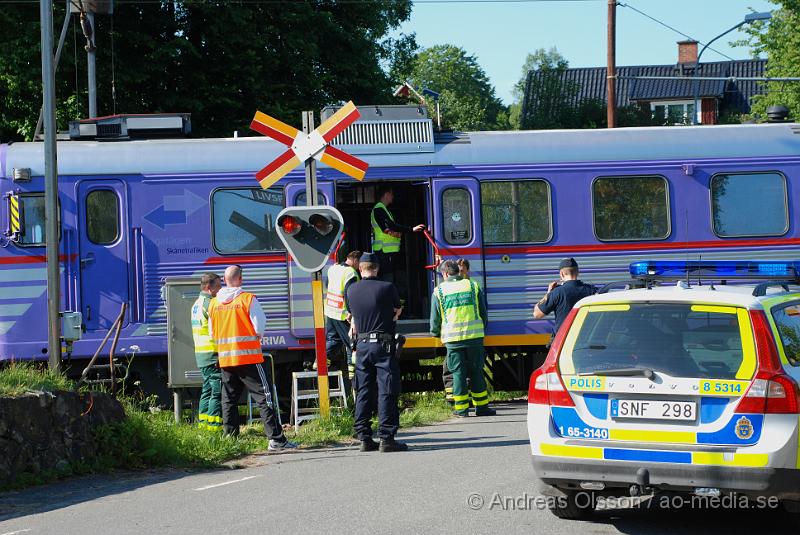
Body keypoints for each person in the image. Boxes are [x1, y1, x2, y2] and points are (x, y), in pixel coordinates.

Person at [208, 265, 296, 451]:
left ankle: (230, 439)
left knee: (229, 400)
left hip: (226, 360)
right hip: (249, 359)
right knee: (264, 398)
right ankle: (276, 439)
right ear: (240, 279)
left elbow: (211, 332)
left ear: (224, 280)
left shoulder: (214, 303)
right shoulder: (248, 299)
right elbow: (259, 327)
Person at [345, 253, 408, 452]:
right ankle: (386, 438)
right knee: (386, 390)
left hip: (361, 346)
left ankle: (364, 437)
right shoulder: (387, 287)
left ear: (360, 268)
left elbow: (350, 315)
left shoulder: (352, 290)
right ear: (377, 268)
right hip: (383, 346)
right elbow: (397, 310)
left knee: (363, 390)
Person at [431, 260, 495, 417]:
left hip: (453, 341)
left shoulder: (439, 291)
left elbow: (435, 319)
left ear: (445, 274)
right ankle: (482, 408)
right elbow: (483, 313)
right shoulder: (472, 286)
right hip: (474, 337)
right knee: (477, 371)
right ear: (458, 271)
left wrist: (435, 333)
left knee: (458, 373)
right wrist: (481, 328)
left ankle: (462, 409)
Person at [370, 185, 426, 285]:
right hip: (384, 251)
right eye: (392, 194)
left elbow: (389, 228)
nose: (393, 197)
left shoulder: (383, 210)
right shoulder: (379, 209)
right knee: (388, 279)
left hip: (387, 252)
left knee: (391, 278)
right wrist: (411, 229)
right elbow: (390, 226)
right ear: (386, 194)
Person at [324, 250, 361, 395]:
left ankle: (320, 361)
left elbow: (328, 285)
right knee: (352, 343)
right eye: (359, 264)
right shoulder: (351, 273)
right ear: (355, 261)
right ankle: (352, 371)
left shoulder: (333, 268)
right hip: (342, 314)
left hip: (330, 311)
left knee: (333, 339)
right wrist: (351, 313)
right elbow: (349, 293)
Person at [192, 273, 223, 431]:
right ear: (208, 287)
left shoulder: (197, 304)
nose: (220, 289)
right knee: (217, 392)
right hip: (212, 355)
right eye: (218, 286)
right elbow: (215, 332)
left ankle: (203, 426)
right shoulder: (210, 304)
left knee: (207, 390)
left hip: (201, 355)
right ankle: (214, 428)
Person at [533, 257, 596, 337]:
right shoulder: (591, 290)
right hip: (584, 339)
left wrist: (548, 293)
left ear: (561, 274)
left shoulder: (557, 292)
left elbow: (537, 314)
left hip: (563, 341)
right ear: (578, 272)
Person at [442, 258, 475, 406]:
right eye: (458, 270)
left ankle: (462, 400)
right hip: (455, 336)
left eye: (462, 270)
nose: (460, 273)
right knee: (450, 368)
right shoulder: (467, 286)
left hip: (468, 335)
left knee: (464, 369)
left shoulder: (472, 286)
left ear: (467, 271)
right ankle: (452, 398)